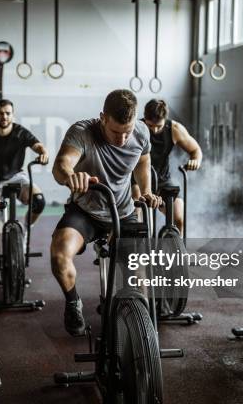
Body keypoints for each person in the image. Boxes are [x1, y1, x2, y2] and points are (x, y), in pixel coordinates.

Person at [50, 89, 162, 337]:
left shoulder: (141, 132)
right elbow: (61, 165)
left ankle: (141, 334)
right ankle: (72, 302)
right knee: (59, 255)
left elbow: (143, 161)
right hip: (86, 211)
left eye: (127, 132)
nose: (122, 139)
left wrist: (146, 190)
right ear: (103, 118)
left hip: (122, 213)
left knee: (138, 276)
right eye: (115, 132)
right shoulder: (83, 132)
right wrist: (71, 175)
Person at [0, 99, 49, 256]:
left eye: (7, 113)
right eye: (1, 113)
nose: (4, 116)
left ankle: (24, 228)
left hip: (17, 176)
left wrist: (43, 153)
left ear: (12, 115)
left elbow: (37, 145)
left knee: (39, 201)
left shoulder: (20, 132)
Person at [131, 99, 202, 235]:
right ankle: (140, 249)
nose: (154, 130)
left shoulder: (174, 129)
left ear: (165, 120)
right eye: (150, 125)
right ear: (145, 118)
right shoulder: (136, 128)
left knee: (179, 218)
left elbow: (196, 150)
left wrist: (195, 160)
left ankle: (176, 251)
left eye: (159, 126)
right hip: (137, 180)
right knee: (137, 215)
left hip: (163, 180)